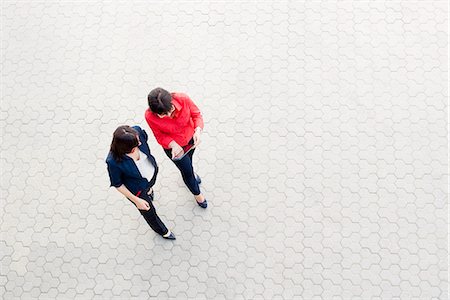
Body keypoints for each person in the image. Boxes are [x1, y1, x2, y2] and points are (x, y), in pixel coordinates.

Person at [106, 125, 175, 240]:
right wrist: (136, 200)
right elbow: (117, 184)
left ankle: (149, 190)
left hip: (150, 176)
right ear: (126, 148)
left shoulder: (136, 131)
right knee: (149, 212)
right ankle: (162, 231)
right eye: (136, 143)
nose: (140, 143)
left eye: (138, 139)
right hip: (137, 190)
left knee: (149, 187)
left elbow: (145, 137)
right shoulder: (113, 161)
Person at [145, 87, 208, 208]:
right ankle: (197, 194)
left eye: (170, 110)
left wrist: (198, 130)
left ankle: (192, 172)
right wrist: (173, 144)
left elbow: (196, 115)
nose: (169, 115)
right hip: (174, 148)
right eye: (163, 114)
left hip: (190, 140)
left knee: (190, 160)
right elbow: (159, 135)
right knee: (187, 172)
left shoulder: (183, 99)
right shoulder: (149, 116)